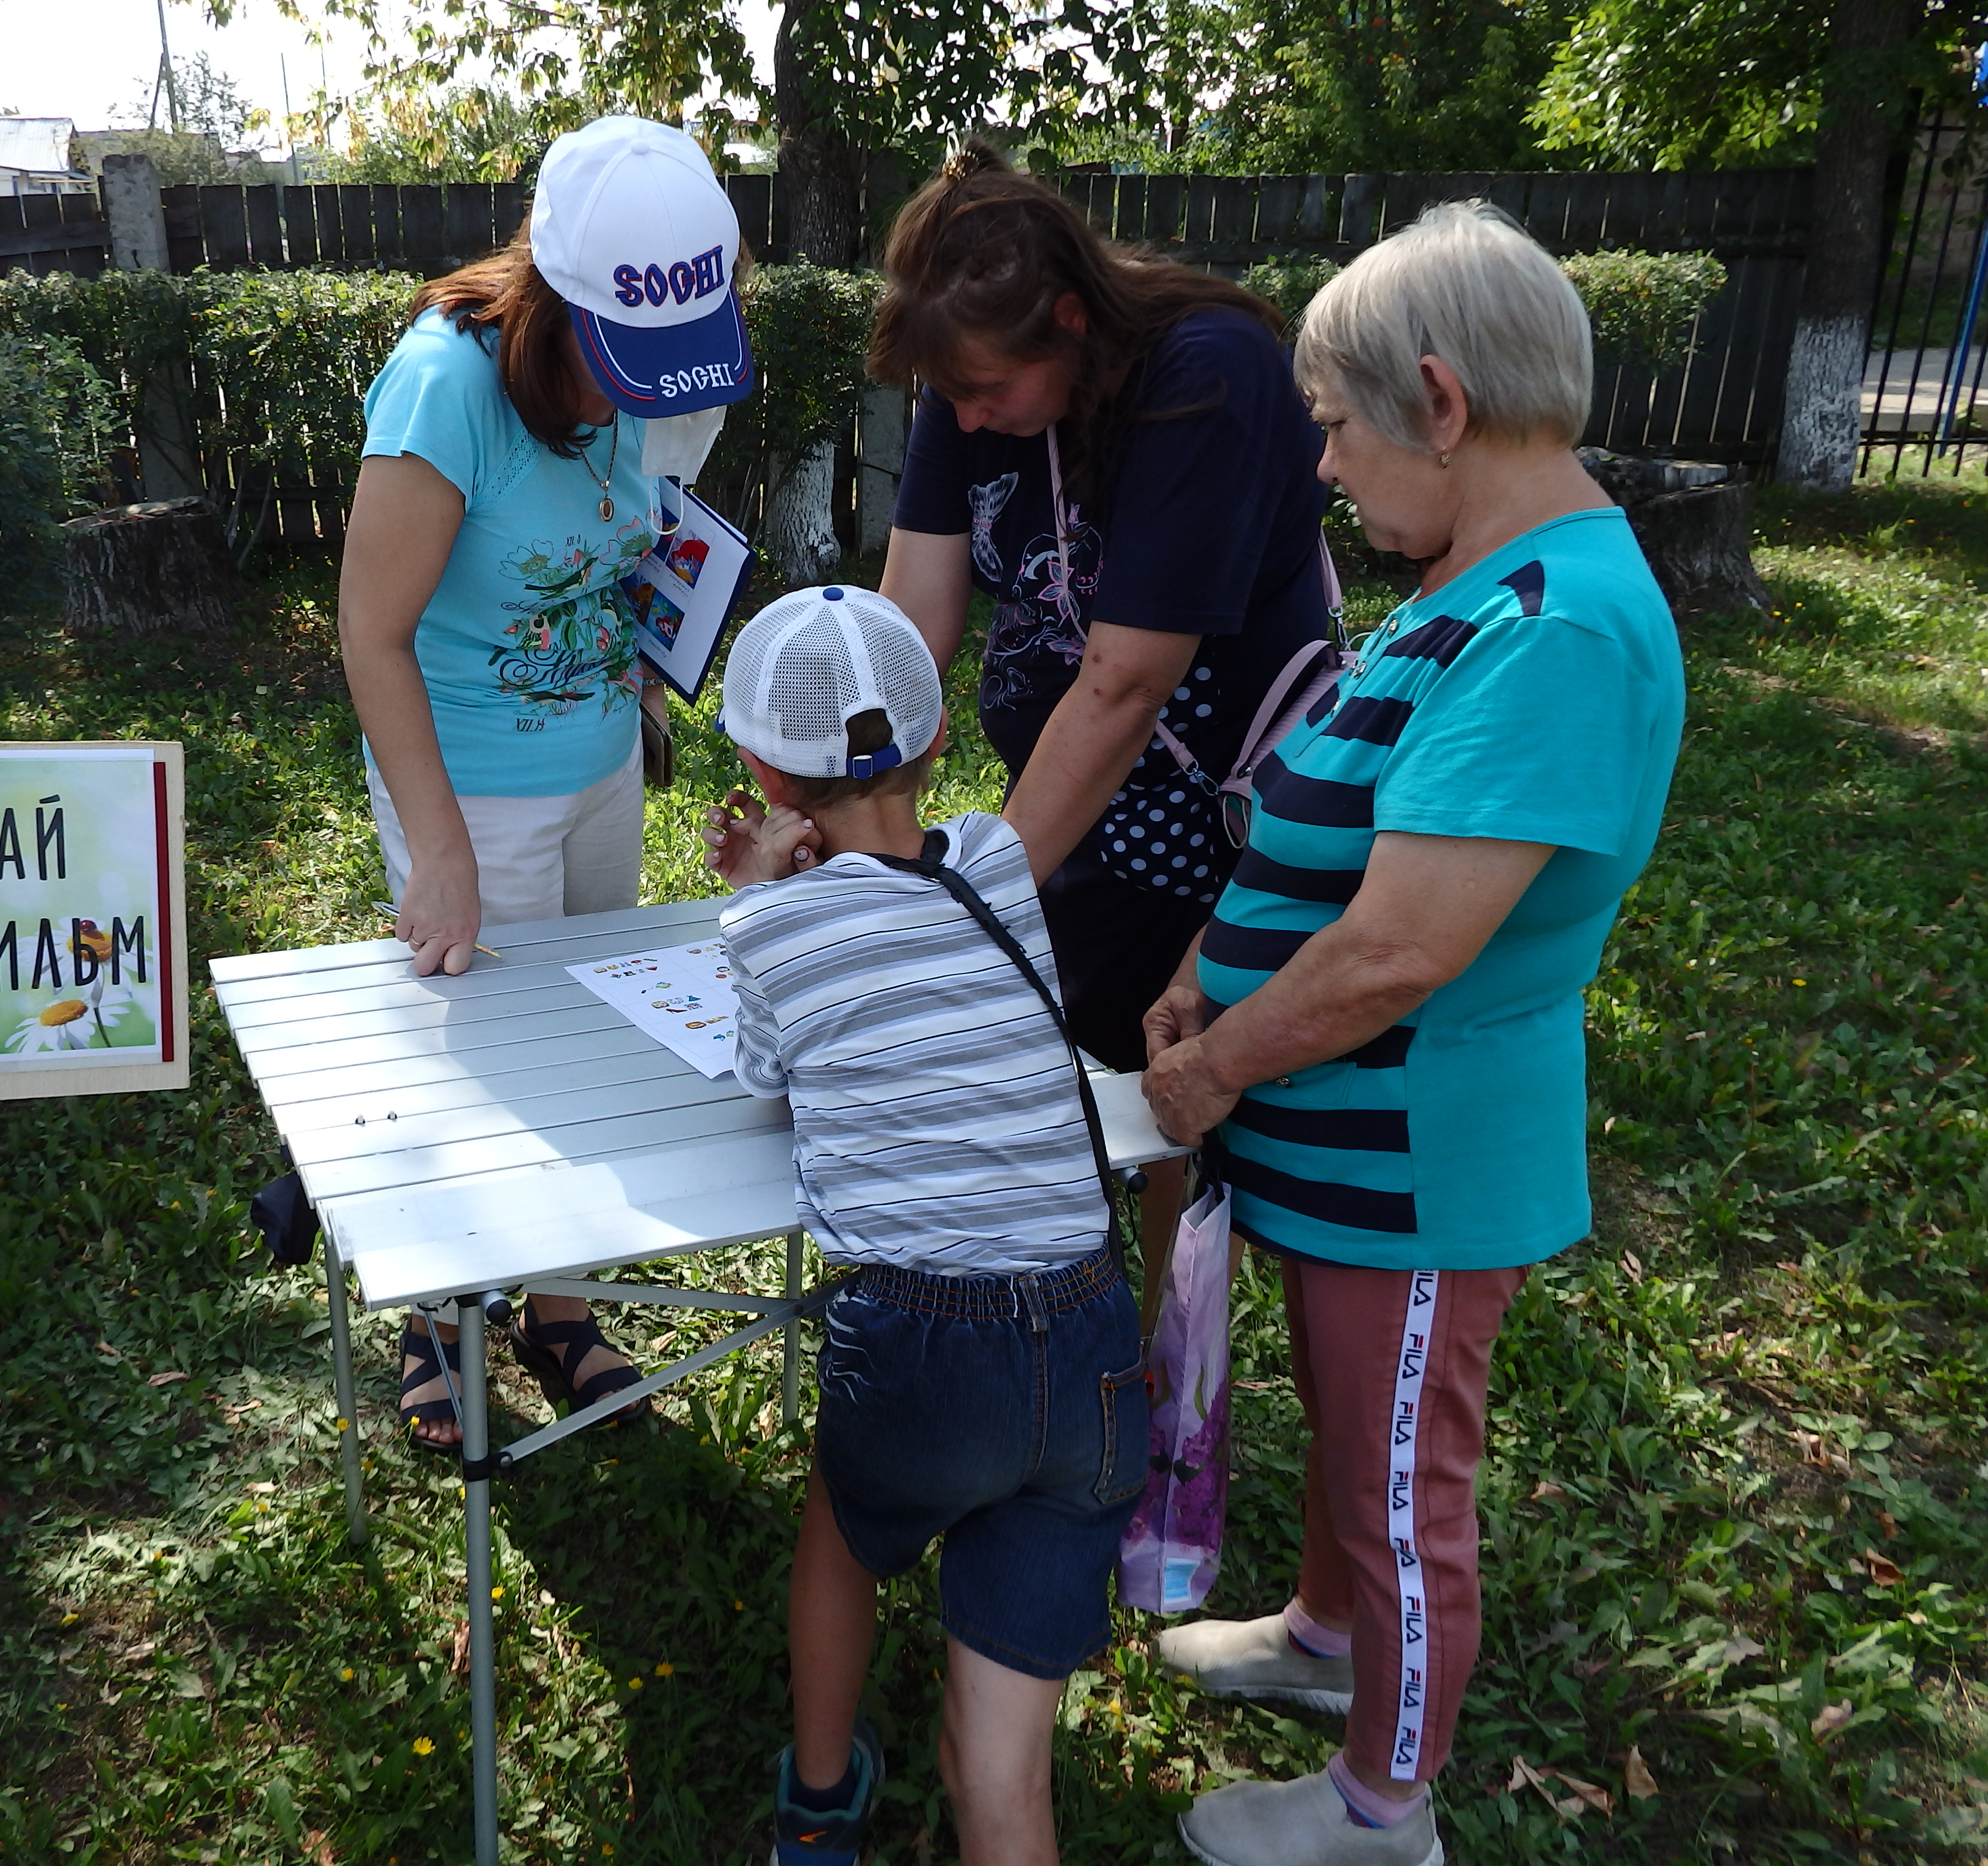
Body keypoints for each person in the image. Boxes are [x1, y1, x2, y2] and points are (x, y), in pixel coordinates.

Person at [1138, 201, 1686, 1866]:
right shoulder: (1484, 577)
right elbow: (1326, 830)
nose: (1323, 466)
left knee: (1400, 1486)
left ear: (1437, 403)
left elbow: (1396, 951)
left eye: (1334, 423)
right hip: (1341, 1145)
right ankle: (1321, 1646)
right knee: (1345, 1423)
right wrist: (1201, 965)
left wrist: (1215, 1061)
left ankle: (1383, 1814)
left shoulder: (1555, 627)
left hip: (1416, 1158)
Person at [699, 585, 1148, 1866]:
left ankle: (821, 1798)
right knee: (1000, 1772)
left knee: (841, 1537)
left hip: (924, 1349)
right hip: (1086, 1340)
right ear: (940, 737)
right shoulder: (1001, 860)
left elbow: (761, 1079)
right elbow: (912, 890)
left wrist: (761, 893)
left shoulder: (768, 930)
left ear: (758, 773)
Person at [340, 115, 755, 1448]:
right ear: (550, 297)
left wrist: (642, 688)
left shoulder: (665, 360)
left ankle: (558, 1309)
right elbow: (372, 633)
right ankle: (437, 1317)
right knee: (483, 1075)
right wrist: (441, 845)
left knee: (592, 1056)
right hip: (469, 783)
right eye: (616, 363)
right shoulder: (441, 390)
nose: (643, 398)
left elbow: (639, 543)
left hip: (596, 767)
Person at [873, 141, 1333, 1284]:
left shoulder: (1207, 374)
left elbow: (1128, 686)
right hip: (1071, 802)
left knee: (1162, 1089)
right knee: (1063, 1069)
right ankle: (1069, 1332)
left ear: (1072, 324)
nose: (969, 419)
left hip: (1206, 812)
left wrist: (968, 903)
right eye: (953, 396)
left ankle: (1151, 1370)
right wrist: (864, 826)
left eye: (989, 393)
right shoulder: (962, 379)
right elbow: (910, 623)